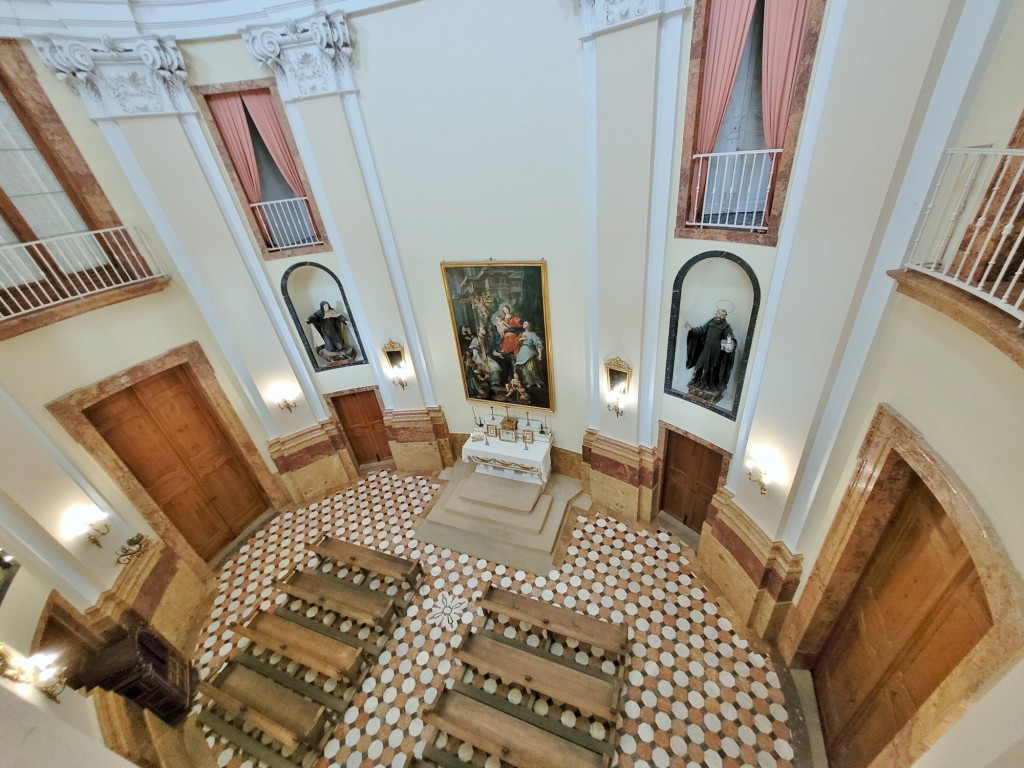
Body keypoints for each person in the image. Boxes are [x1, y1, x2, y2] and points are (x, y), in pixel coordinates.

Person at [685, 308, 736, 394]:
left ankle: (708, 384)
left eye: (722, 315)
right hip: (706, 349)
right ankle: (697, 382)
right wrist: (692, 330)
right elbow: (701, 330)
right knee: (699, 365)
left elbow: (729, 338)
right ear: (716, 313)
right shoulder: (710, 323)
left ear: (725, 317)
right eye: (719, 313)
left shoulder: (726, 327)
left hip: (716, 352)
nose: (720, 316)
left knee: (712, 368)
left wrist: (729, 345)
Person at [514, 321, 545, 388]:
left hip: (530, 352)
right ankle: (529, 382)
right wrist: (520, 339)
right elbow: (515, 344)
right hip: (522, 353)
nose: (524, 324)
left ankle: (537, 381)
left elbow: (538, 344)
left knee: (532, 368)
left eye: (526, 323)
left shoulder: (533, 334)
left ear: (530, 325)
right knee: (524, 369)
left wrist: (540, 355)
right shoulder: (521, 334)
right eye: (523, 323)